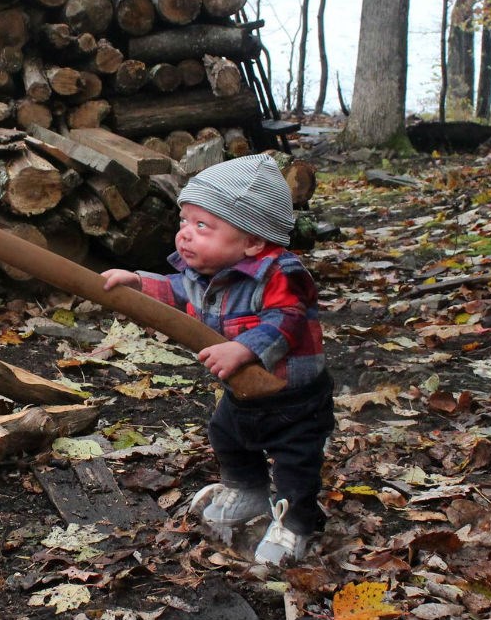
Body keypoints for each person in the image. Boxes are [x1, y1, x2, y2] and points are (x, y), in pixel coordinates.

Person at [101, 154, 334, 566]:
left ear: (252, 241)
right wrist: (137, 282)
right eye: (184, 223)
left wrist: (244, 348)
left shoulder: (281, 273)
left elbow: (288, 319)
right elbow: (175, 291)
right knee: (228, 436)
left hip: (295, 399)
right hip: (243, 393)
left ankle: (296, 522)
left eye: (202, 225)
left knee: (296, 462)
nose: (185, 235)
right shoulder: (204, 273)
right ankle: (247, 490)